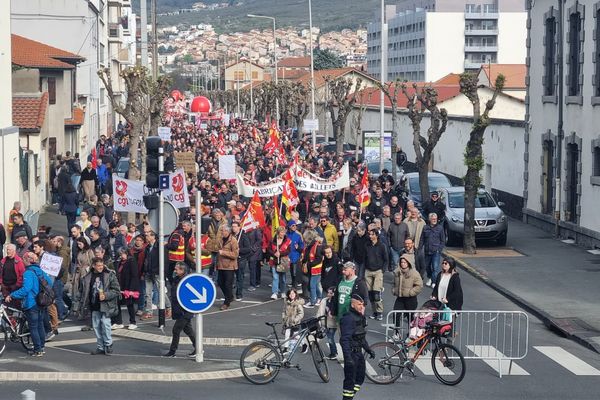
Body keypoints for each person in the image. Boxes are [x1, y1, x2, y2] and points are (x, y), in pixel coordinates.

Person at [5, 252, 53, 356]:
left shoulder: (28, 273)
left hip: (31, 303)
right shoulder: (40, 270)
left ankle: (37, 349)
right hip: (41, 302)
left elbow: (26, 289)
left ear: (28, 260)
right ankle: (41, 347)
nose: (22, 261)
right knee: (40, 325)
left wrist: (12, 295)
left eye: (23, 259)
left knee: (33, 327)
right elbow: (50, 282)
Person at [75, 257, 121, 355]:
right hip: (93, 304)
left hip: (106, 304)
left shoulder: (109, 275)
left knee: (105, 324)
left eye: (102, 265)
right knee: (96, 326)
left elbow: (116, 290)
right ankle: (100, 346)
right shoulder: (87, 277)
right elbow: (82, 291)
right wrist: (77, 304)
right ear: (93, 266)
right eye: (98, 265)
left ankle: (108, 344)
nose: (100, 267)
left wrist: (106, 295)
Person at [339, 294, 374, 400]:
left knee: (360, 378)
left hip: (358, 353)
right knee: (350, 381)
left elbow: (361, 336)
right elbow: (344, 340)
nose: (361, 306)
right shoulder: (348, 319)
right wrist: (348, 357)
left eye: (362, 304)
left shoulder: (360, 317)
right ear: (352, 305)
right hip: (351, 353)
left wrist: (368, 349)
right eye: (359, 304)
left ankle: (349, 397)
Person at [163, 262, 197, 358]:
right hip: (180, 310)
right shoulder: (177, 279)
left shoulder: (185, 281)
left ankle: (172, 351)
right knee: (188, 330)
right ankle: (198, 348)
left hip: (185, 311)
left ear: (182, 270)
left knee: (176, 330)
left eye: (177, 269)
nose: (175, 271)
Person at [391, 255, 423, 341]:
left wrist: (411, 292)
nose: (403, 264)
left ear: (408, 263)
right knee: (395, 314)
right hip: (400, 298)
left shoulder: (414, 273)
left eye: (405, 262)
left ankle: (411, 335)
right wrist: (394, 290)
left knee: (410, 317)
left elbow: (419, 285)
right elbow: (394, 283)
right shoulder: (397, 272)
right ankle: (397, 334)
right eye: (401, 262)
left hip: (410, 299)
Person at [142, 231, 171, 319]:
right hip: (148, 272)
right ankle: (149, 312)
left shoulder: (160, 246)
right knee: (148, 293)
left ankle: (168, 307)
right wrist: (144, 271)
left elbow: (165, 260)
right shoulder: (147, 247)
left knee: (160, 291)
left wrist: (161, 272)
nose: (146, 237)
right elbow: (146, 260)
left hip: (157, 272)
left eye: (147, 235)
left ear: (153, 236)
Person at [113, 247, 140, 330]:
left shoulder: (131, 261)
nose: (121, 256)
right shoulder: (120, 262)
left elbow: (134, 275)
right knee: (118, 303)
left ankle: (133, 322)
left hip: (128, 286)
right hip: (121, 285)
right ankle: (119, 322)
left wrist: (131, 289)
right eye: (120, 254)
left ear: (126, 253)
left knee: (129, 304)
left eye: (122, 254)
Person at [364, 229, 388, 321]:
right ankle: (374, 312)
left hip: (378, 271)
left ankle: (380, 312)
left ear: (376, 235)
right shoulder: (367, 245)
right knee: (370, 294)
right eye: (369, 234)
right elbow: (365, 258)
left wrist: (382, 270)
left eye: (372, 234)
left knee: (376, 293)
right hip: (368, 271)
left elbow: (386, 259)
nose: (370, 236)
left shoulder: (382, 246)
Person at [216, 225, 239, 310]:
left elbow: (235, 254)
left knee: (227, 284)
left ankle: (226, 302)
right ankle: (230, 296)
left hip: (229, 266)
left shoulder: (233, 240)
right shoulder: (221, 240)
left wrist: (223, 253)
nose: (223, 233)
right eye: (222, 231)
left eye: (225, 231)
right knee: (220, 283)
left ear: (228, 232)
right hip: (221, 265)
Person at [421, 213, 445, 288]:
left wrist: (439, 249)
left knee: (435, 267)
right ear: (429, 219)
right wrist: (419, 248)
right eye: (433, 219)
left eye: (435, 219)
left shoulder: (440, 228)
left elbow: (443, 240)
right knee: (427, 266)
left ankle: (434, 282)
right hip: (427, 251)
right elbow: (422, 239)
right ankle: (430, 277)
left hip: (436, 251)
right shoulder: (425, 228)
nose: (434, 220)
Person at [268, 226, 291, 300]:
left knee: (283, 278)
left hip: (283, 262)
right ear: (278, 232)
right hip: (274, 261)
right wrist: (274, 253)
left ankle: (283, 291)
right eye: (281, 232)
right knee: (275, 277)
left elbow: (288, 251)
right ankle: (275, 293)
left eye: (284, 232)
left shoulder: (287, 240)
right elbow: (269, 249)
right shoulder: (272, 241)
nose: (283, 234)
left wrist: (280, 253)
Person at [302, 236, 325, 308]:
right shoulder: (311, 246)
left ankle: (312, 302)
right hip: (312, 268)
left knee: (312, 285)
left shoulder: (317, 247)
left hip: (315, 269)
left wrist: (309, 264)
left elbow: (319, 259)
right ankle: (320, 298)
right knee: (316, 284)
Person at [317, 286, 339, 360]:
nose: (328, 294)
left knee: (330, 337)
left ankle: (334, 353)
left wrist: (332, 314)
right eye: (328, 292)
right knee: (328, 337)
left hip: (333, 323)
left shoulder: (335, 302)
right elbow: (320, 311)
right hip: (326, 322)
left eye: (331, 293)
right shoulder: (325, 300)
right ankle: (333, 352)